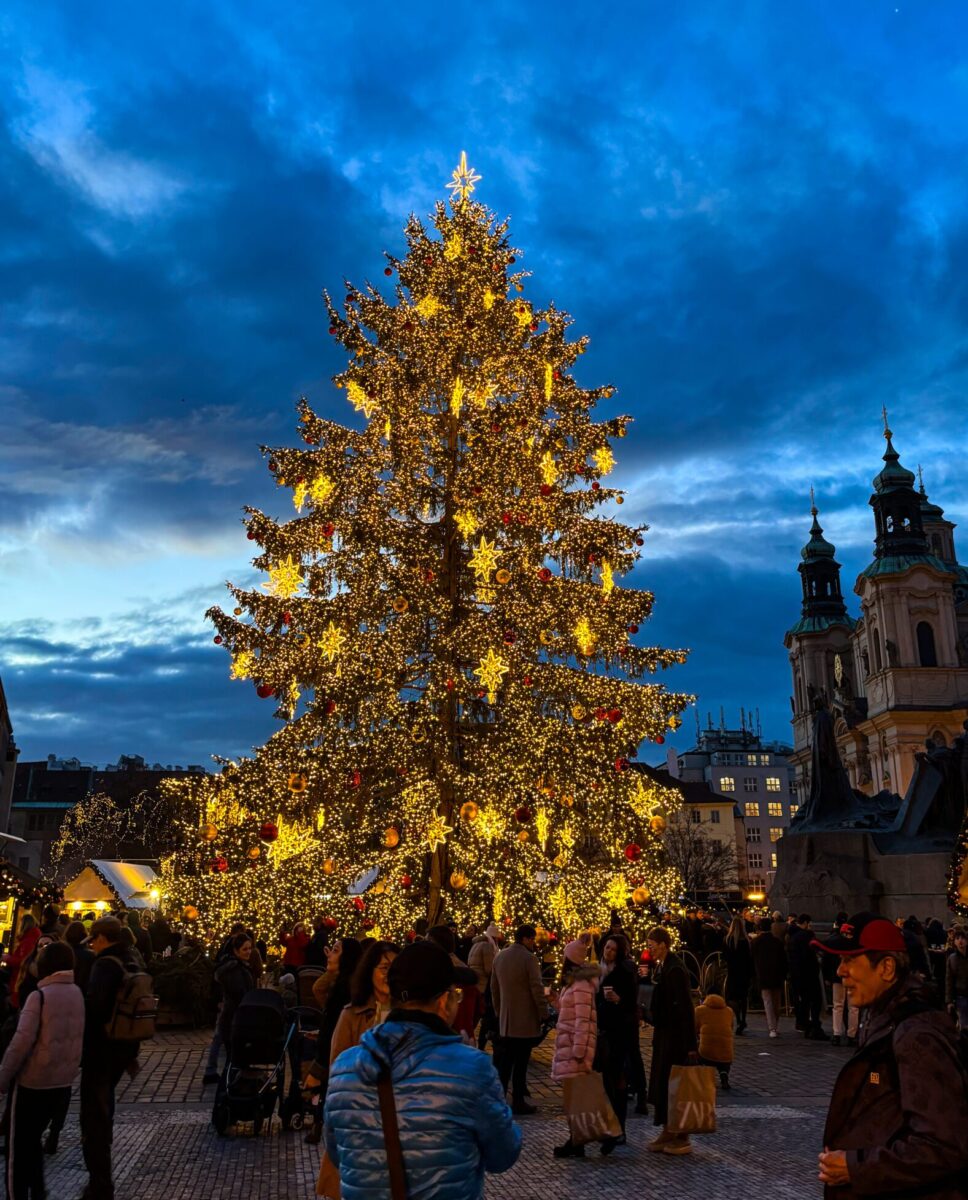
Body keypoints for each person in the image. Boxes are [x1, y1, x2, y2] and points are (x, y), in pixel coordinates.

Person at [324, 939, 521, 1200]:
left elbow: (337, 1153)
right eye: (456, 994)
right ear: (443, 1001)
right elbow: (503, 1155)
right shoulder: (471, 1068)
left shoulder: (344, 1068)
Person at [816, 912, 968, 1197]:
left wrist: (855, 1166)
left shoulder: (916, 1035)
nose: (840, 971)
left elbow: (944, 1143)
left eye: (850, 960)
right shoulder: (879, 1017)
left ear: (886, 968)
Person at [311, 940, 402, 1198]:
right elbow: (338, 1072)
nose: (389, 974)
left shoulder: (409, 1014)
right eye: (384, 967)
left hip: (401, 1124)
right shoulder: (352, 1015)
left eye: (395, 968)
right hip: (361, 1124)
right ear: (369, 971)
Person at [0, 941, 84, 1194]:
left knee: (17, 1150)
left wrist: (3, 1077)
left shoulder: (40, 996)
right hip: (60, 1083)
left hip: (32, 1081)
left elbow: (21, 1042)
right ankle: (38, 1191)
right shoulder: (77, 993)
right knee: (33, 1142)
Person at [79, 916, 143, 1200]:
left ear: (102, 938)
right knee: (103, 1114)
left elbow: (96, 1010)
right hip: (123, 1048)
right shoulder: (132, 960)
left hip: (101, 1051)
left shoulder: (105, 964)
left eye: (93, 940)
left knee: (93, 1121)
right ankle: (100, 1181)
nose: (92, 946)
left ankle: (100, 1185)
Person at [304, 937, 363, 1146]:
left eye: (336, 951)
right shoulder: (339, 983)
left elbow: (335, 1026)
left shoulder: (348, 989)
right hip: (333, 1053)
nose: (329, 955)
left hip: (339, 1057)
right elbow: (319, 991)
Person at [645, 926, 698, 1156]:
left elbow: (685, 1008)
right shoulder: (664, 967)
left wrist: (690, 1044)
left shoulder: (675, 969)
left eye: (652, 945)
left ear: (663, 944)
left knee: (675, 1085)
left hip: (675, 1036)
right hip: (665, 1033)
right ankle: (668, 1128)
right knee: (663, 1082)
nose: (650, 950)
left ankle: (681, 1132)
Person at [490, 924, 549, 1115]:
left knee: (505, 1062)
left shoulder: (500, 956)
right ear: (525, 939)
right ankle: (518, 1101)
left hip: (507, 1020)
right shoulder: (529, 958)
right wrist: (543, 1012)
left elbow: (494, 988)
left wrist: (500, 1012)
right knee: (521, 1062)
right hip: (525, 1020)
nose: (533, 943)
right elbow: (536, 988)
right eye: (531, 939)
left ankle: (499, 1098)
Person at [551, 939, 599, 1159]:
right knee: (572, 1098)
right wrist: (554, 1000)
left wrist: (579, 1050)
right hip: (569, 1045)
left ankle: (577, 1141)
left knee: (575, 1098)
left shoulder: (581, 985)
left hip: (574, 1048)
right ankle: (575, 1139)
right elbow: (568, 1011)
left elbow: (583, 1019)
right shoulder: (573, 983)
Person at [596, 932, 637, 1146]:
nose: (609, 951)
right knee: (605, 1082)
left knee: (617, 1081)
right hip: (602, 1032)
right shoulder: (597, 970)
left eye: (613, 949)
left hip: (619, 1033)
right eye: (607, 947)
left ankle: (619, 1128)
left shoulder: (625, 972)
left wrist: (618, 999)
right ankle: (607, 1125)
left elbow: (632, 1003)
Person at [427, 925, 479, 1038]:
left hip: (449, 1037)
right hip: (464, 1034)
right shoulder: (461, 968)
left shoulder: (441, 971)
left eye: (427, 942)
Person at [213, 933, 258, 1064]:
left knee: (234, 1060)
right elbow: (239, 994)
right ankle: (226, 1083)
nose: (249, 952)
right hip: (234, 1020)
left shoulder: (241, 966)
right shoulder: (234, 969)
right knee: (234, 1060)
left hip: (236, 1019)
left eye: (250, 948)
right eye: (245, 949)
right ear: (235, 950)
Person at [789, 914, 828, 1040]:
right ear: (806, 923)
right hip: (810, 973)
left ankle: (805, 1026)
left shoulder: (792, 937)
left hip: (797, 975)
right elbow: (816, 950)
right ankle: (815, 1026)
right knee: (815, 1001)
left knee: (804, 1001)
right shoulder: (808, 936)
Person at [468, 923, 503, 1050]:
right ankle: (481, 1045)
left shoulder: (476, 944)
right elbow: (489, 969)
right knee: (487, 1017)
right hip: (484, 985)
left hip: (475, 983)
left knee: (476, 1016)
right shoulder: (488, 946)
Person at [751, 916, 787, 1038]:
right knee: (777, 1002)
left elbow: (752, 959)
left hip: (763, 974)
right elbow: (783, 959)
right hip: (777, 975)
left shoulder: (755, 942)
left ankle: (772, 1027)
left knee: (768, 1002)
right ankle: (774, 1025)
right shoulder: (777, 942)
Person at [695, 987, 734, 1090]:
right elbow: (731, 1027)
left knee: (699, 1051)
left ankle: (706, 1075)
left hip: (706, 1051)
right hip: (725, 1051)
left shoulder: (699, 1010)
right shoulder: (729, 1011)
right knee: (724, 1060)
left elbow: (694, 1028)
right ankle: (724, 1073)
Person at [722, 915, 753, 1035]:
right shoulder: (745, 941)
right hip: (744, 972)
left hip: (733, 971)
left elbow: (724, 956)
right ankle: (743, 1019)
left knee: (731, 997)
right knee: (743, 997)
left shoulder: (727, 940)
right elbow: (749, 958)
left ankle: (739, 1019)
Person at [4, 917, 40, 1010]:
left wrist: (7, 958)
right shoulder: (32, 938)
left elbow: (23, 961)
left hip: (20, 978)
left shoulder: (28, 941)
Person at [945, 926, 968, 1032]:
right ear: (954, 942)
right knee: (964, 1026)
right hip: (961, 996)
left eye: (962, 938)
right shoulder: (952, 959)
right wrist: (949, 1001)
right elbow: (949, 980)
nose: (960, 941)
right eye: (957, 938)